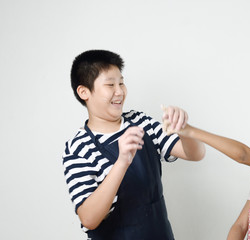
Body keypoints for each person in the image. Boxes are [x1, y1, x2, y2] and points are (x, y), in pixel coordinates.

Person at [62, 49, 205, 240]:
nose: (119, 91)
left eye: (121, 82)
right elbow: (89, 218)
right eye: (110, 85)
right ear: (84, 92)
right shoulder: (78, 148)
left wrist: (184, 130)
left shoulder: (141, 123)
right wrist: (122, 162)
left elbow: (196, 154)